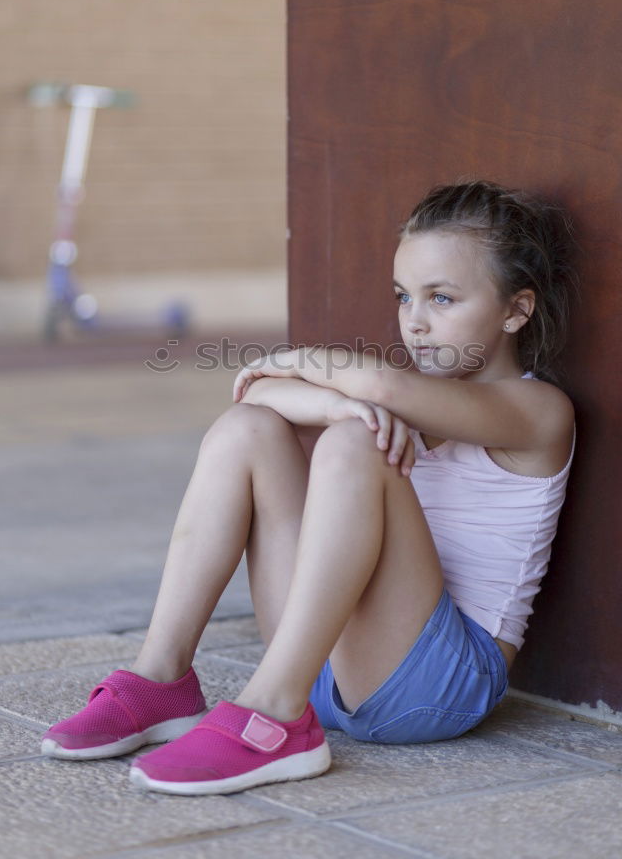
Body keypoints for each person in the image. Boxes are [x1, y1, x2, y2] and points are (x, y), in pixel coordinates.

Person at [41, 179, 578, 796]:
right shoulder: (402, 393)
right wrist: (338, 404)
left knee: (357, 441)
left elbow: (379, 389)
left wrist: (314, 377)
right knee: (248, 429)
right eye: (404, 297)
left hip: (440, 683)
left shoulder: (538, 411)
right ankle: (162, 678)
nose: (416, 323)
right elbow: (258, 394)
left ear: (516, 310)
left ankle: (272, 712)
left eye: (443, 299)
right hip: (328, 664)